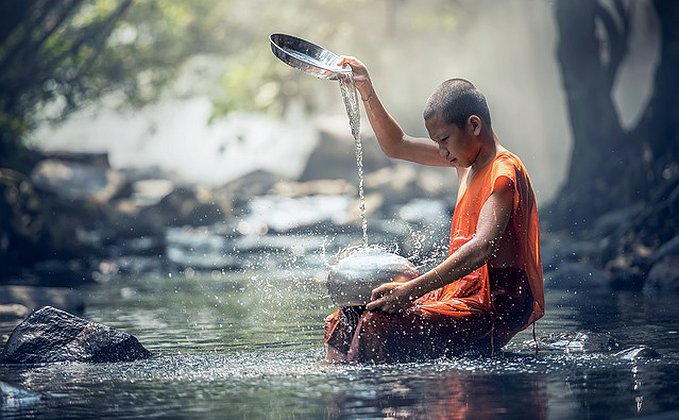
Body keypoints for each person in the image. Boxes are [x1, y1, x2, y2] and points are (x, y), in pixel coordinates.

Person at [324, 57, 545, 363]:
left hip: (492, 305)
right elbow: (397, 145)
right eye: (436, 142)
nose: (442, 152)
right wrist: (365, 88)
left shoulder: (502, 171)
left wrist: (412, 290)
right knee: (349, 314)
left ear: (474, 125)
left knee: (375, 324)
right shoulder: (465, 159)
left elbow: (482, 247)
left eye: (444, 140)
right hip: (458, 293)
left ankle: (383, 402)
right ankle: (335, 386)